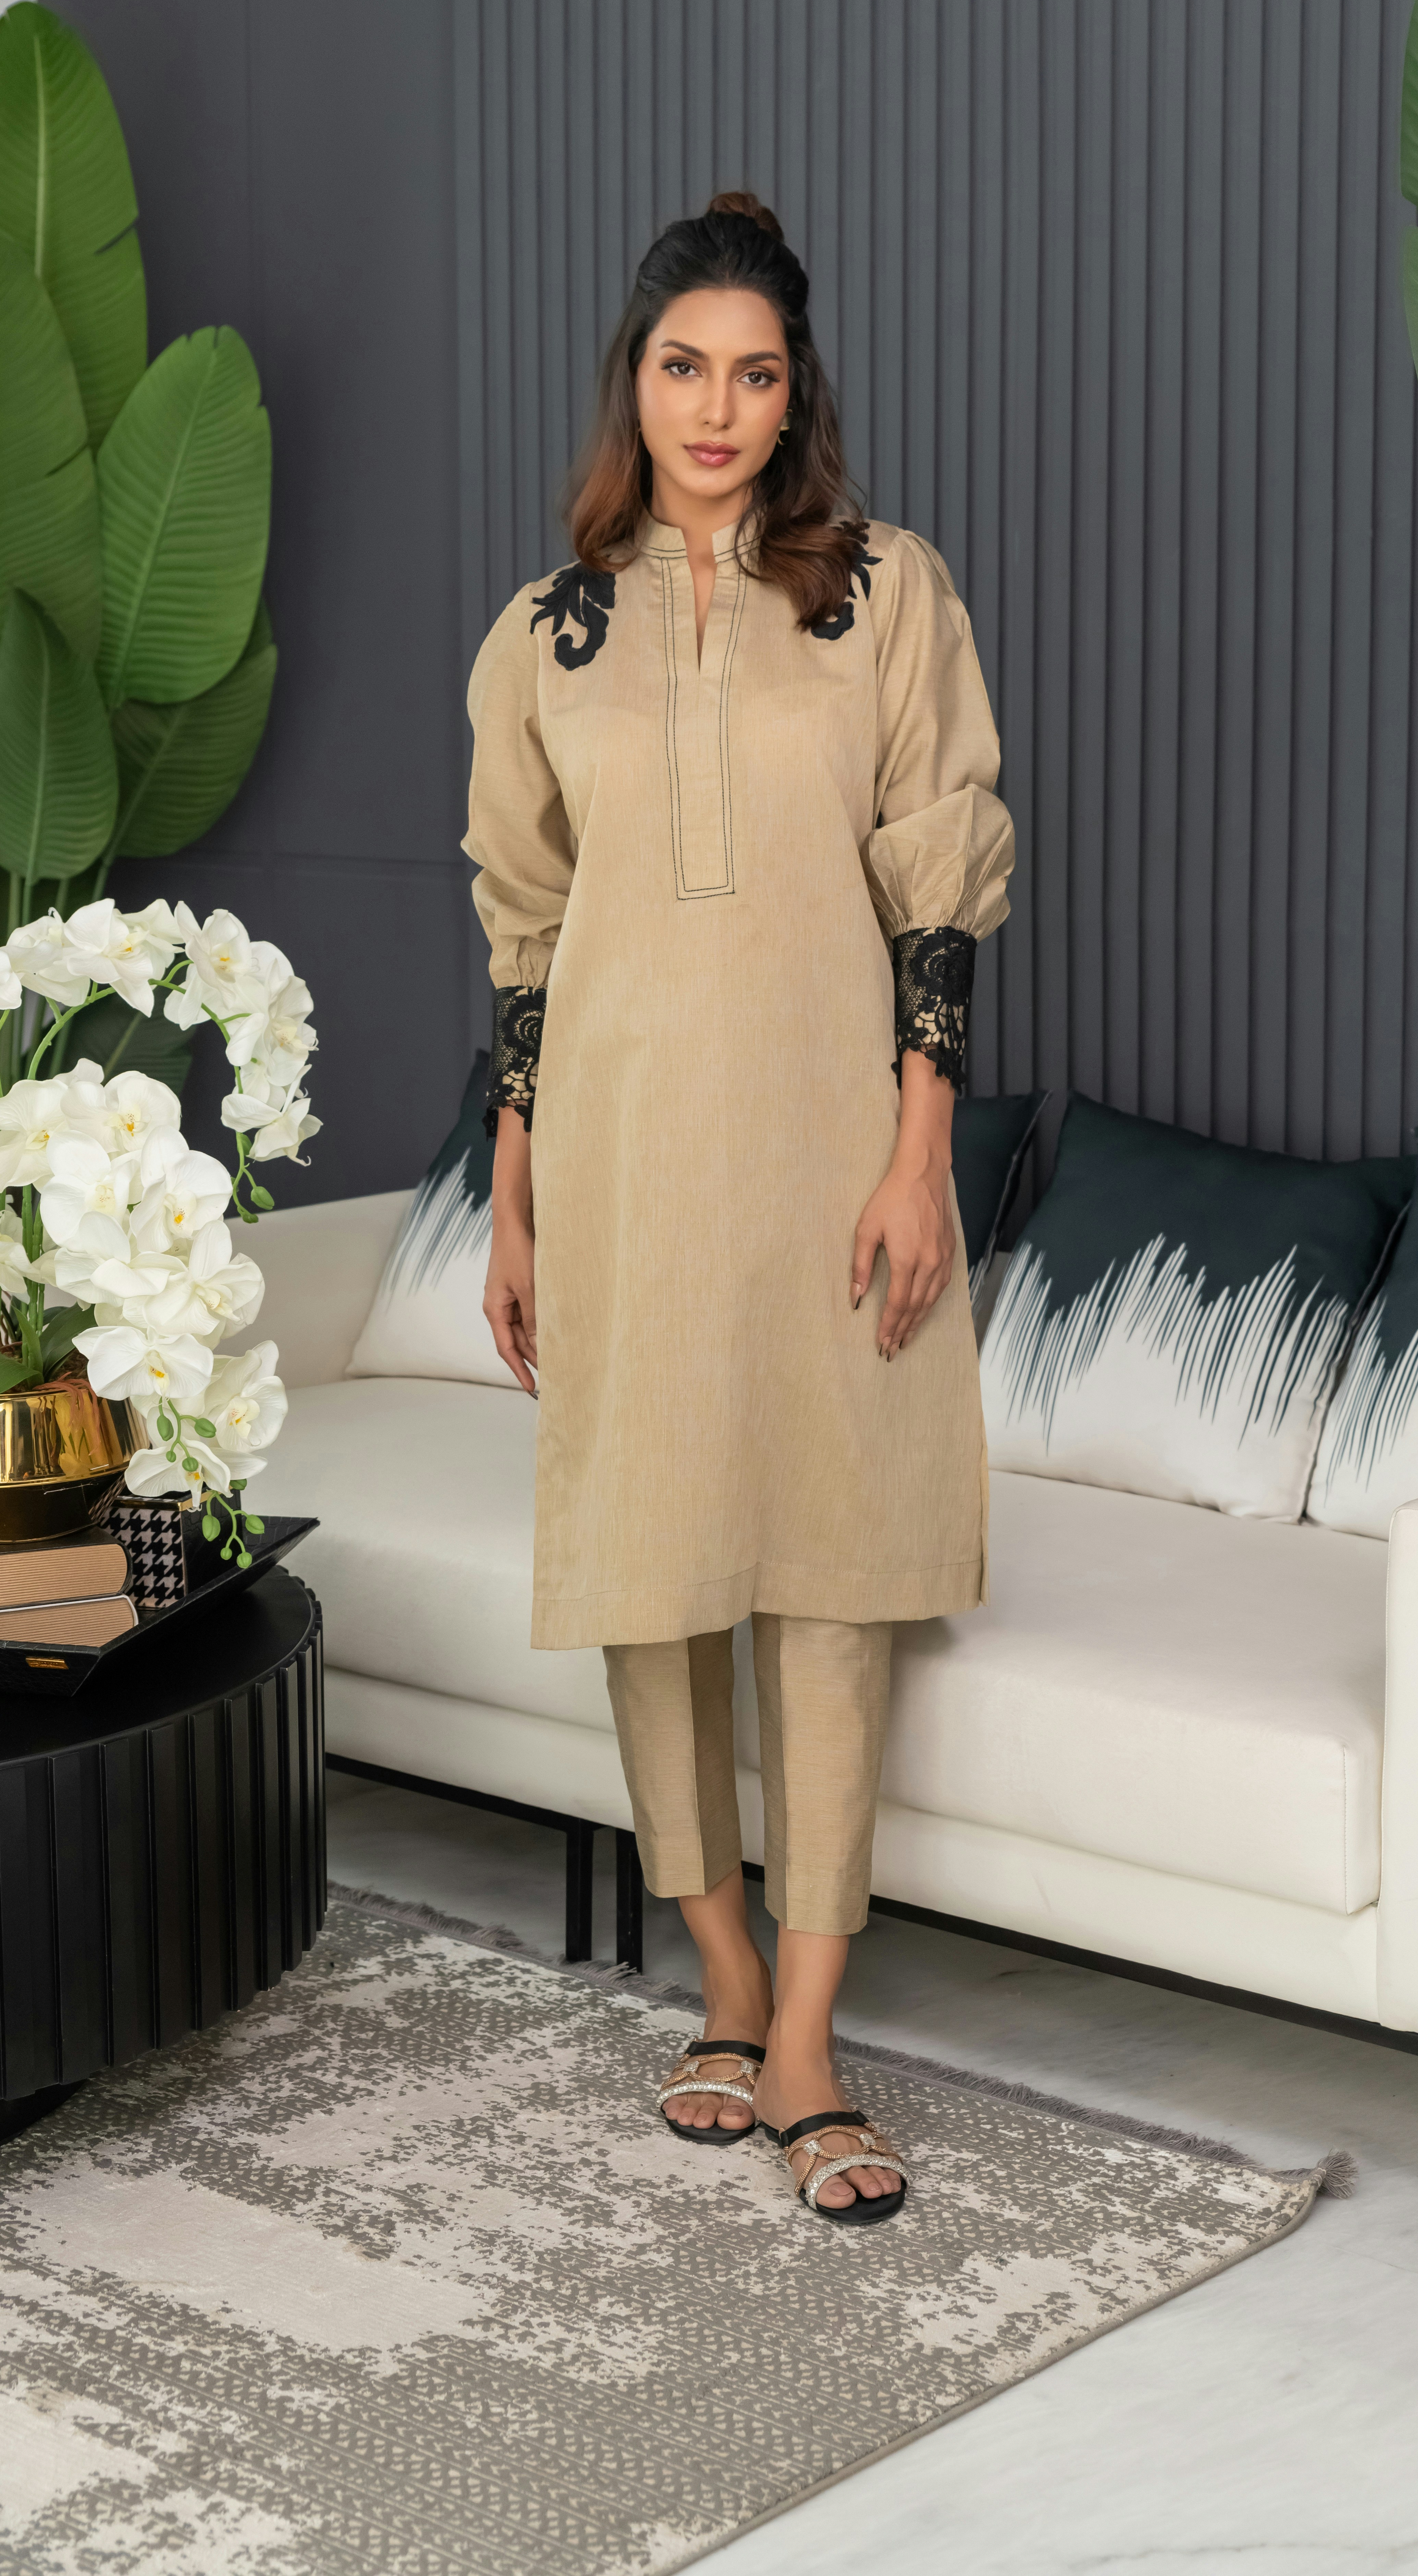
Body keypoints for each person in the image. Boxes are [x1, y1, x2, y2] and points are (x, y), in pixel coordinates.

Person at [463, 191, 1015, 2223]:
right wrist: (513, 1198)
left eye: (757, 372)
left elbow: (938, 870)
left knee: (834, 1567)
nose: (718, 408)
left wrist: (918, 1148)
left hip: (825, 1159)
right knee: (655, 1569)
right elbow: (526, 931)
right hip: (614, 1162)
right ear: (636, 378)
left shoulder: (887, 599)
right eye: (684, 368)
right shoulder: (549, 636)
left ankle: (803, 2035)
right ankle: (711, 1978)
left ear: (801, 395)